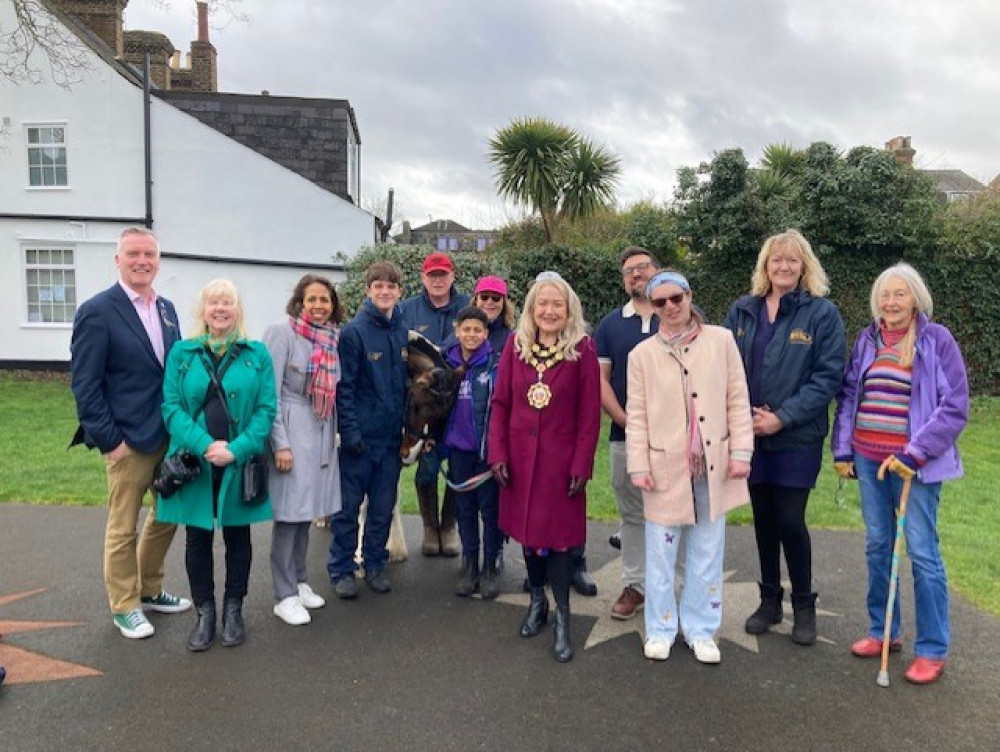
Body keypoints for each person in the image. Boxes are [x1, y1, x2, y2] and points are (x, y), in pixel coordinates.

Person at [832, 262, 968, 685]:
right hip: (870, 460)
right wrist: (843, 449)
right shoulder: (867, 339)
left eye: (900, 294)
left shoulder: (936, 340)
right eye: (885, 295)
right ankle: (883, 630)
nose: (891, 303)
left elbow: (955, 405)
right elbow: (851, 393)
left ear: (916, 299)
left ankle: (932, 648)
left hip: (914, 467)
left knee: (923, 553)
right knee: (877, 546)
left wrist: (915, 453)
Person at [723, 230, 845, 645]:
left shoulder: (822, 314)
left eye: (793, 260)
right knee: (763, 521)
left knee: (790, 521)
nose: (784, 267)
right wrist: (743, 419)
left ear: (805, 265)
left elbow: (827, 377)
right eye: (776, 260)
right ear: (765, 265)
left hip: (796, 437)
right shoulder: (742, 310)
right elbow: (722, 368)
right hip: (748, 435)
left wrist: (782, 418)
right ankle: (769, 600)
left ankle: (804, 606)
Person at [70, 227, 191, 640]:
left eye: (149, 254)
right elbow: (85, 385)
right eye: (133, 253)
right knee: (123, 526)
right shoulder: (98, 310)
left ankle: (150, 588)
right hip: (126, 441)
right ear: (117, 259)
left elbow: (173, 369)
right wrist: (111, 441)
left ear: (158, 260)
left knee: (168, 514)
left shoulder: (168, 308)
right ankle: (124, 606)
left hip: (166, 435)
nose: (142, 261)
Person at [627, 270, 753, 665]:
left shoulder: (722, 340)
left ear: (689, 296)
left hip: (713, 462)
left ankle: (701, 629)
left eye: (676, 299)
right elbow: (637, 416)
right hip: (665, 465)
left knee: (708, 550)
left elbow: (737, 397)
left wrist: (742, 453)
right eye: (660, 302)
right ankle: (661, 627)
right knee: (661, 553)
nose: (670, 308)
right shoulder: (641, 355)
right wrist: (638, 464)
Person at [488, 271, 601, 663]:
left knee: (560, 542)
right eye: (542, 304)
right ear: (532, 309)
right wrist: (497, 453)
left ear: (568, 309)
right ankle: (537, 603)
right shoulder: (515, 347)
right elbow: (501, 403)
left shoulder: (582, 349)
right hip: (519, 460)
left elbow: (589, 415)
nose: (549, 311)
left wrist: (582, 464)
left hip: (560, 465)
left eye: (557, 304)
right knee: (529, 538)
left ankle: (563, 617)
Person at [158, 279, 277, 651]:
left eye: (228, 302)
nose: (220, 308)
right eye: (214, 302)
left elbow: (266, 410)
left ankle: (233, 611)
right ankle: (205, 614)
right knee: (197, 537)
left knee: (238, 536)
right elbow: (171, 408)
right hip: (197, 462)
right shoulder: (182, 353)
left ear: (237, 309)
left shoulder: (256, 353)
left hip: (238, 462)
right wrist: (207, 445)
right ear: (203, 310)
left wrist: (237, 449)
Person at [263, 274, 343, 626]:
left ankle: (299, 579)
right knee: (288, 514)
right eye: (312, 299)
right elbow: (270, 393)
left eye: (324, 300)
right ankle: (283, 594)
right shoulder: (282, 334)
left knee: (306, 512)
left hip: (321, 430)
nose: (319, 306)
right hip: (293, 432)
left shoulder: (331, 339)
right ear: (299, 302)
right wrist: (279, 443)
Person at [328, 261, 409, 598]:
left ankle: (375, 563)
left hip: (391, 440)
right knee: (348, 510)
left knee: (381, 507)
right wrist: (351, 434)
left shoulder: (401, 331)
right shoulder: (353, 333)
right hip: (359, 441)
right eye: (378, 286)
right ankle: (342, 569)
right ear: (368, 290)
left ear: (399, 292)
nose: (385, 291)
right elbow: (343, 389)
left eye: (391, 286)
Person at [594, 246, 660, 621]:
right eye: (629, 272)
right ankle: (635, 585)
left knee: (675, 514)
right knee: (633, 516)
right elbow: (602, 381)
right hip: (625, 437)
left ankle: (672, 587)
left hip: (673, 440)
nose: (636, 275)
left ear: (657, 270)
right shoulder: (610, 325)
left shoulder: (678, 314)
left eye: (642, 267)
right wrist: (626, 420)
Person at [399, 251, 470, 557]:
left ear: (452, 276)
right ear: (423, 278)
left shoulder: (468, 306)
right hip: (424, 408)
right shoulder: (406, 309)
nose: (438, 280)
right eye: (433, 275)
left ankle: (449, 526)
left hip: (459, 406)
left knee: (457, 467)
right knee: (426, 467)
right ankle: (429, 527)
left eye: (443, 274)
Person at [442, 306, 502, 599]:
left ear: (486, 333)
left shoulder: (495, 366)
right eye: (466, 329)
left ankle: (490, 566)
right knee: (464, 511)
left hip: (485, 454)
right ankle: (469, 565)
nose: (471, 334)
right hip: (458, 452)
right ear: (457, 331)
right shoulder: (445, 364)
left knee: (490, 514)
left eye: (477, 330)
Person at [470, 274, 516, 355]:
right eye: (484, 297)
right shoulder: (462, 332)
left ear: (503, 303)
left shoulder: (512, 340)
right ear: (476, 300)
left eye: (496, 298)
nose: (489, 302)